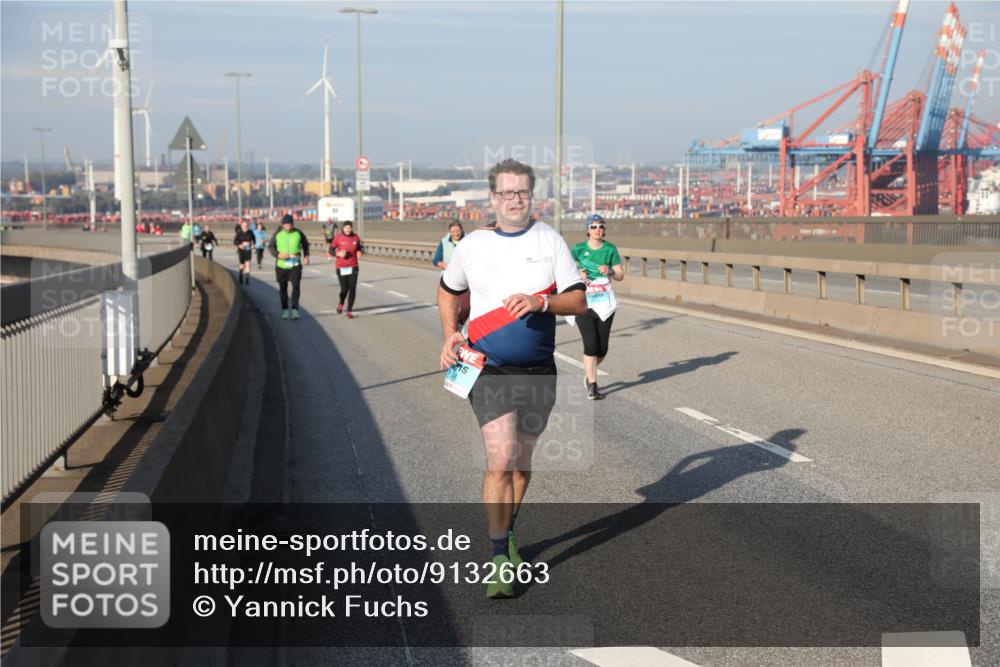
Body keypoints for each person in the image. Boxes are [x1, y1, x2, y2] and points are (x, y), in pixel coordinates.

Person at [438, 159, 586, 598]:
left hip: (539, 369)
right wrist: (449, 333)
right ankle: (499, 557)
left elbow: (578, 301)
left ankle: (510, 532)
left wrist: (541, 304)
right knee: (500, 458)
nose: (514, 200)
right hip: (487, 369)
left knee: (521, 465)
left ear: (532, 195)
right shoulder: (473, 245)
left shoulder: (550, 240)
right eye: (506, 193)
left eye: (521, 192)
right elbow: (448, 290)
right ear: (493, 198)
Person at [571, 214, 624, 400]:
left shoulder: (610, 249)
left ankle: (590, 371)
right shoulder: (578, 249)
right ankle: (593, 385)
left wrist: (609, 271)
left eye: (601, 226)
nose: (597, 229)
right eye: (593, 226)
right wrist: (577, 272)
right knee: (591, 345)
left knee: (602, 349)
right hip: (584, 302)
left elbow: (619, 275)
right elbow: (566, 270)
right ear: (588, 229)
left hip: (604, 302)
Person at [268, 214, 310, 320]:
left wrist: (306, 255)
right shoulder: (278, 234)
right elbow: (271, 246)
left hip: (295, 265)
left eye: (290, 224)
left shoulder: (298, 233)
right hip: (281, 265)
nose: (288, 226)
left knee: (296, 286)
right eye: (286, 224)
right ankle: (285, 310)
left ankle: (295, 309)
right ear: (282, 225)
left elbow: (305, 244)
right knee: (283, 288)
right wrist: (278, 255)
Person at [330, 221, 363, 319]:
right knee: (344, 289)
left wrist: (360, 251)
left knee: (352, 289)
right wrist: (338, 254)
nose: (348, 230)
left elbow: (360, 247)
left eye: (349, 228)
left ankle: (349, 311)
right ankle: (341, 303)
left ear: (351, 228)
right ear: (343, 229)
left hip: (353, 266)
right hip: (341, 267)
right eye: (346, 228)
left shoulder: (356, 237)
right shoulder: (338, 237)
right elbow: (330, 250)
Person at [233, 219, 255, 284]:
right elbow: (235, 241)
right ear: (241, 226)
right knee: (242, 265)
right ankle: (240, 275)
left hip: (248, 249)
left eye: (246, 225)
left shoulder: (250, 232)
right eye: (244, 225)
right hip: (241, 250)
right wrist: (239, 245)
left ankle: (247, 279)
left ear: (248, 226)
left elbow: (253, 240)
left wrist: (253, 245)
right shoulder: (239, 233)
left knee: (248, 264)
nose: (245, 227)